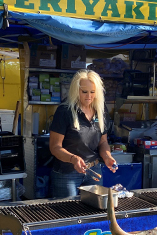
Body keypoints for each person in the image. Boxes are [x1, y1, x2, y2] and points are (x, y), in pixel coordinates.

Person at [49, 69, 117, 198]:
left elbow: (103, 142)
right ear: (76, 91)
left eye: (92, 92)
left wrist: (107, 157)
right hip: (67, 172)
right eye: (84, 92)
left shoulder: (101, 111)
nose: (89, 96)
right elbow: (55, 147)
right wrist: (73, 159)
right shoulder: (65, 111)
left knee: (94, 212)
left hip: (94, 169)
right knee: (68, 213)